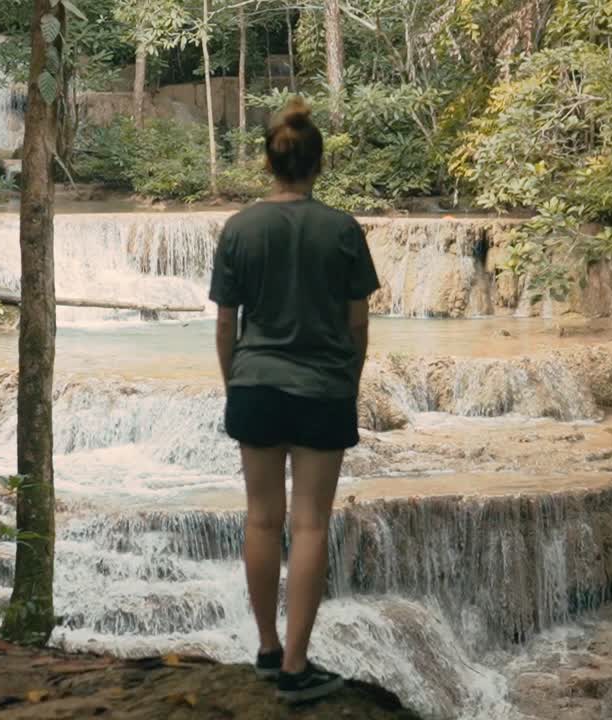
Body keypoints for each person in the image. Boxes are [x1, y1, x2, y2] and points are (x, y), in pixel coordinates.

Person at [209, 97, 380, 704]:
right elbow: (358, 325)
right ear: (318, 164)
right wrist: (349, 380)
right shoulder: (342, 229)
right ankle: (297, 665)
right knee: (309, 524)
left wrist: (237, 382)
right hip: (322, 389)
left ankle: (265, 647)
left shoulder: (240, 228)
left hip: (255, 384)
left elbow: (227, 324)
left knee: (261, 518)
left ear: (268, 162)